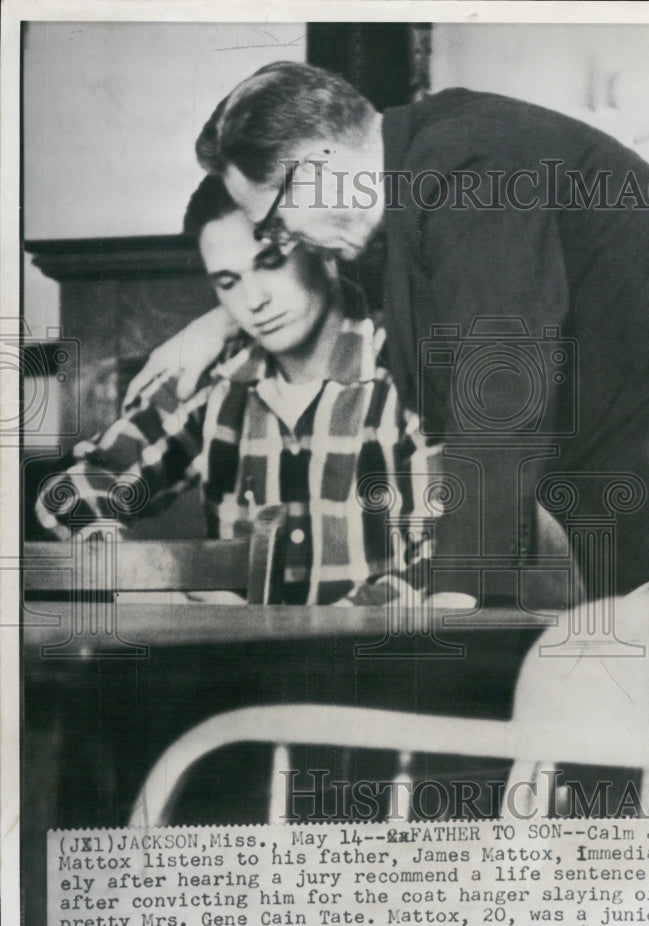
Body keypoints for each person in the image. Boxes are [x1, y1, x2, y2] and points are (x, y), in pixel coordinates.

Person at [127, 62, 649, 602]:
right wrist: (220, 322)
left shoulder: (462, 169)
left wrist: (464, 590)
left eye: (276, 226)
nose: (287, 242)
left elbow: (501, 380)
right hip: (639, 474)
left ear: (315, 171)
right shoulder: (411, 174)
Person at [36, 174, 449, 606]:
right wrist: (145, 578)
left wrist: (316, 634)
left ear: (322, 249)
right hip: (235, 664)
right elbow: (71, 490)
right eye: (228, 282)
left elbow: (443, 560)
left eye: (270, 262)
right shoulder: (214, 376)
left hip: (373, 664)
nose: (253, 301)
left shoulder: (407, 370)